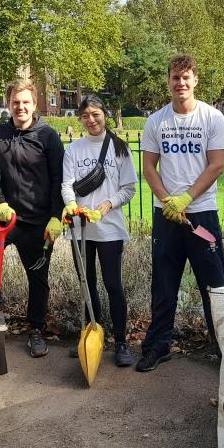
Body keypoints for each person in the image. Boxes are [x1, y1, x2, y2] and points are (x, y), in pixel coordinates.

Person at [137, 54, 224, 372]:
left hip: (201, 214)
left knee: (214, 287)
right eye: (175, 78)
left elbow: (216, 164)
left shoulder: (212, 118)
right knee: (163, 286)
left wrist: (186, 198)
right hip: (168, 217)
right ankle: (158, 346)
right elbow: (148, 166)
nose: (181, 83)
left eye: (186, 77)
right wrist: (167, 201)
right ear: (169, 81)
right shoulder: (156, 121)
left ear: (196, 80)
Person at [0, 79, 64, 358]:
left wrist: (55, 216)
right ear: (8, 104)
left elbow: (59, 177)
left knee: (37, 277)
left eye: (26, 102)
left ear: (34, 104)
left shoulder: (47, 135)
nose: (20, 107)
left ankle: (36, 330)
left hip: (37, 221)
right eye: (15, 102)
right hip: (6, 218)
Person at [61, 95, 138, 367]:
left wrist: (108, 204)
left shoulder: (119, 149)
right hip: (80, 229)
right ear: (80, 119)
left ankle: (121, 342)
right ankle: (93, 333)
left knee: (113, 284)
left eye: (95, 114)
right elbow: (67, 184)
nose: (91, 120)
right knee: (87, 283)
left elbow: (129, 188)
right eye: (85, 116)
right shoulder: (74, 150)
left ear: (104, 114)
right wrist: (71, 206)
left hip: (109, 229)